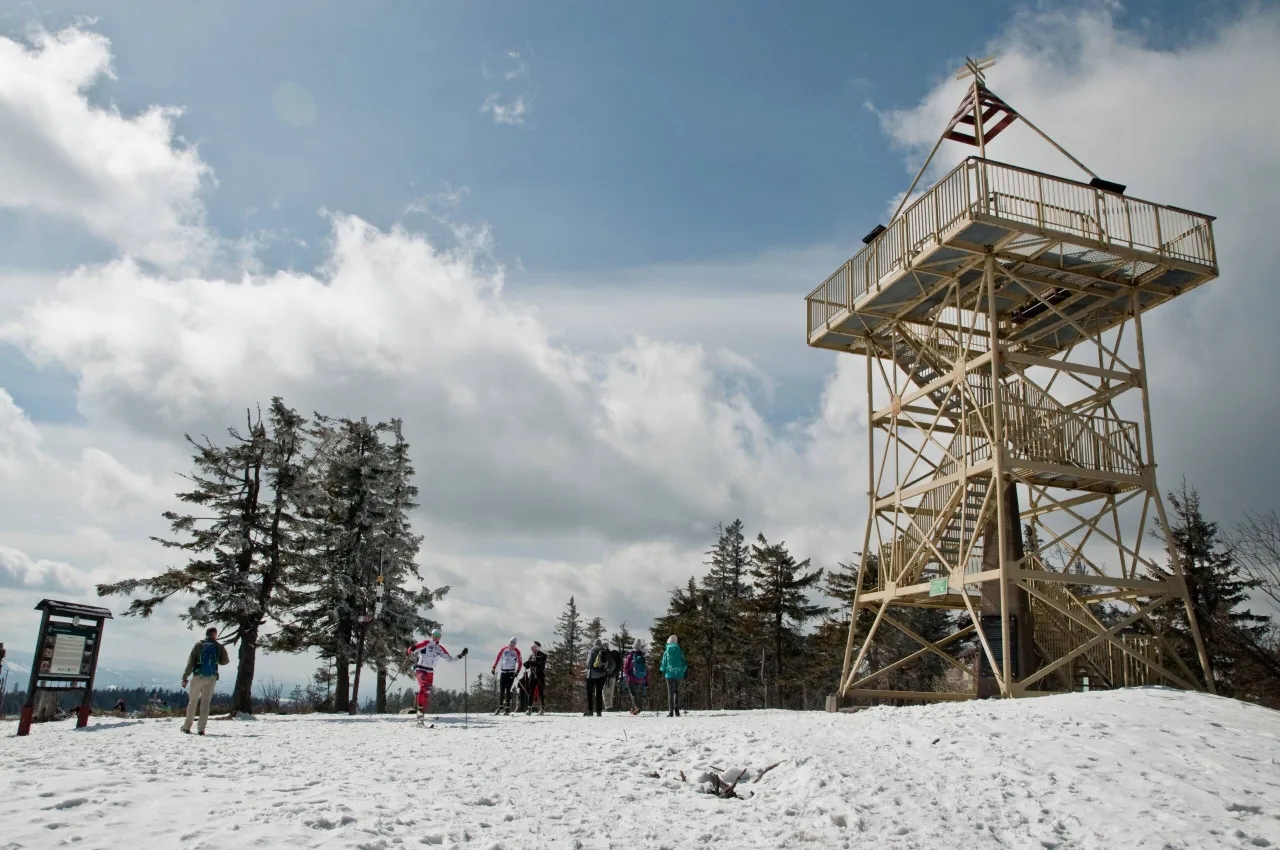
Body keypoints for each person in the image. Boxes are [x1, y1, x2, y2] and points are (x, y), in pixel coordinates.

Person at [406, 628, 465, 722]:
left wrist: (461, 655)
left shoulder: (440, 649)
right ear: (432, 635)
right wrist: (411, 649)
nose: (436, 637)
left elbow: (450, 660)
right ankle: (420, 710)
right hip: (421, 669)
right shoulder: (426, 643)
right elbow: (415, 647)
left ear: (440, 637)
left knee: (427, 692)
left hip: (430, 672)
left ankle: (422, 714)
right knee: (423, 686)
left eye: (438, 635)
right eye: (435, 635)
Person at [181, 626, 229, 735]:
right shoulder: (218, 646)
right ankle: (201, 729)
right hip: (211, 678)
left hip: (198, 676)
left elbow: (190, 663)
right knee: (205, 703)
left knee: (192, 702)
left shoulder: (198, 645)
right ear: (215, 634)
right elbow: (225, 661)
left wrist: (185, 676)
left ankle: (187, 727)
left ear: (206, 634)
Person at [491, 637, 524, 716]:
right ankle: (500, 707)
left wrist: (517, 672)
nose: (513, 644)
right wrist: (494, 667)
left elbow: (520, 662)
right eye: (512, 642)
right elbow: (498, 658)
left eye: (514, 643)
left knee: (508, 690)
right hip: (503, 672)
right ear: (510, 642)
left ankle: (507, 708)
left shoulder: (517, 652)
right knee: (502, 690)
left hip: (511, 672)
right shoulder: (504, 649)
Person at [660, 634, 687, 717]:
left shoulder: (666, 652)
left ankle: (671, 712)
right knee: (676, 692)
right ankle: (677, 711)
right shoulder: (680, 651)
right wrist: (681, 671)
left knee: (670, 693)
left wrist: (662, 669)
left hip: (669, 675)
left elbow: (663, 665)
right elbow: (684, 663)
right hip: (679, 674)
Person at [622, 639, 649, 715]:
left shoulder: (630, 656)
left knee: (632, 693)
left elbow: (626, 668)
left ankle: (637, 707)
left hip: (632, 678)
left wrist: (627, 676)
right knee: (638, 694)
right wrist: (646, 681)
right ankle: (633, 710)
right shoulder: (642, 657)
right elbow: (646, 670)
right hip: (641, 679)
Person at [584, 639, 610, 716]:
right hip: (602, 676)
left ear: (594, 644)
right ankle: (599, 711)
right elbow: (610, 663)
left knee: (589, 693)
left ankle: (590, 710)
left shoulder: (592, 652)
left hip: (592, 676)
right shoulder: (605, 652)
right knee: (599, 693)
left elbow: (588, 664)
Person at [524, 641, 548, 714]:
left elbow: (541, 666)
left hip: (540, 675)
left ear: (536, 647)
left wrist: (532, 663)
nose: (531, 649)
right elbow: (528, 664)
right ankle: (529, 708)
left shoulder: (543, 655)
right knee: (531, 691)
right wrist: (526, 664)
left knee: (541, 692)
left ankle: (542, 708)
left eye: (533, 647)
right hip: (532, 675)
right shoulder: (531, 656)